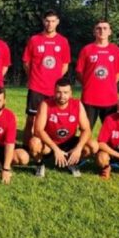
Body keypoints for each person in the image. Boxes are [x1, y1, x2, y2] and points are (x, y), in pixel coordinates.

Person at [22, 10, 71, 147]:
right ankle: (26, 147)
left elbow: (65, 64)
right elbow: (26, 62)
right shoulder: (34, 39)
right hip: (36, 87)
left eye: (53, 21)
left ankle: (49, 147)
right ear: (43, 21)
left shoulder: (63, 41)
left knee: (52, 120)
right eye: (47, 21)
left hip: (54, 89)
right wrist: (34, 76)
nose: (50, 24)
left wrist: (56, 80)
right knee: (31, 119)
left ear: (57, 22)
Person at [32, 78, 97, 178]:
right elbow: (38, 130)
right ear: (54, 92)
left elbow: (86, 129)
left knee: (93, 146)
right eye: (59, 92)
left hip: (69, 143)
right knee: (34, 143)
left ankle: (72, 163)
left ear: (71, 93)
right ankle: (39, 165)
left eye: (65, 92)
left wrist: (78, 148)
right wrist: (56, 149)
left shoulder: (77, 104)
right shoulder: (46, 104)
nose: (62, 96)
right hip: (50, 144)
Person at [75, 19, 119, 129]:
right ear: (94, 32)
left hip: (109, 99)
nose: (102, 31)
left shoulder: (116, 50)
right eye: (98, 28)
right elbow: (79, 72)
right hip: (89, 98)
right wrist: (89, 84)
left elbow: (118, 73)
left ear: (110, 32)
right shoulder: (86, 49)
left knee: (111, 131)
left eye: (105, 28)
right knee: (85, 130)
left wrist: (108, 84)